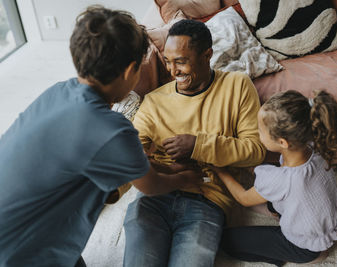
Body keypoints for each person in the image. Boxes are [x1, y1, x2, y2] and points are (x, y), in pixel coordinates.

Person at [0, 6, 202, 267]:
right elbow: (150, 185)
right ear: (131, 71)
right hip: (24, 248)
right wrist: (186, 176)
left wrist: (158, 165)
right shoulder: (113, 130)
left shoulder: (57, 91)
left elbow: (125, 163)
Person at [123, 19, 266, 267]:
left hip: (207, 200)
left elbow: (255, 150)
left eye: (181, 61)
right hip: (155, 196)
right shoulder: (154, 101)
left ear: (207, 55)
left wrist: (198, 145)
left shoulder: (237, 86)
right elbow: (130, 154)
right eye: (168, 61)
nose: (172, 71)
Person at [212, 90, 337, 266]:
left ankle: (288, 256)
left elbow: (243, 198)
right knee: (270, 179)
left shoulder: (282, 180)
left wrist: (219, 170)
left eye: (260, 131)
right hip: (320, 223)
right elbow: (271, 177)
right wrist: (244, 165)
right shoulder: (314, 149)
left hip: (305, 248)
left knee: (225, 241)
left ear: (282, 143)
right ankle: (277, 215)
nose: (257, 133)